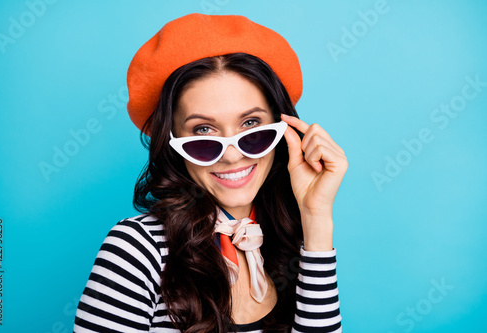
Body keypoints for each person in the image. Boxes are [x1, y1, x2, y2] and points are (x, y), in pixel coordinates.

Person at [73, 13, 347, 333]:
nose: (232, 155)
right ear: (172, 141)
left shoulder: (287, 240)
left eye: (251, 125)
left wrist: (316, 220)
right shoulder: (137, 249)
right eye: (203, 130)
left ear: (283, 132)